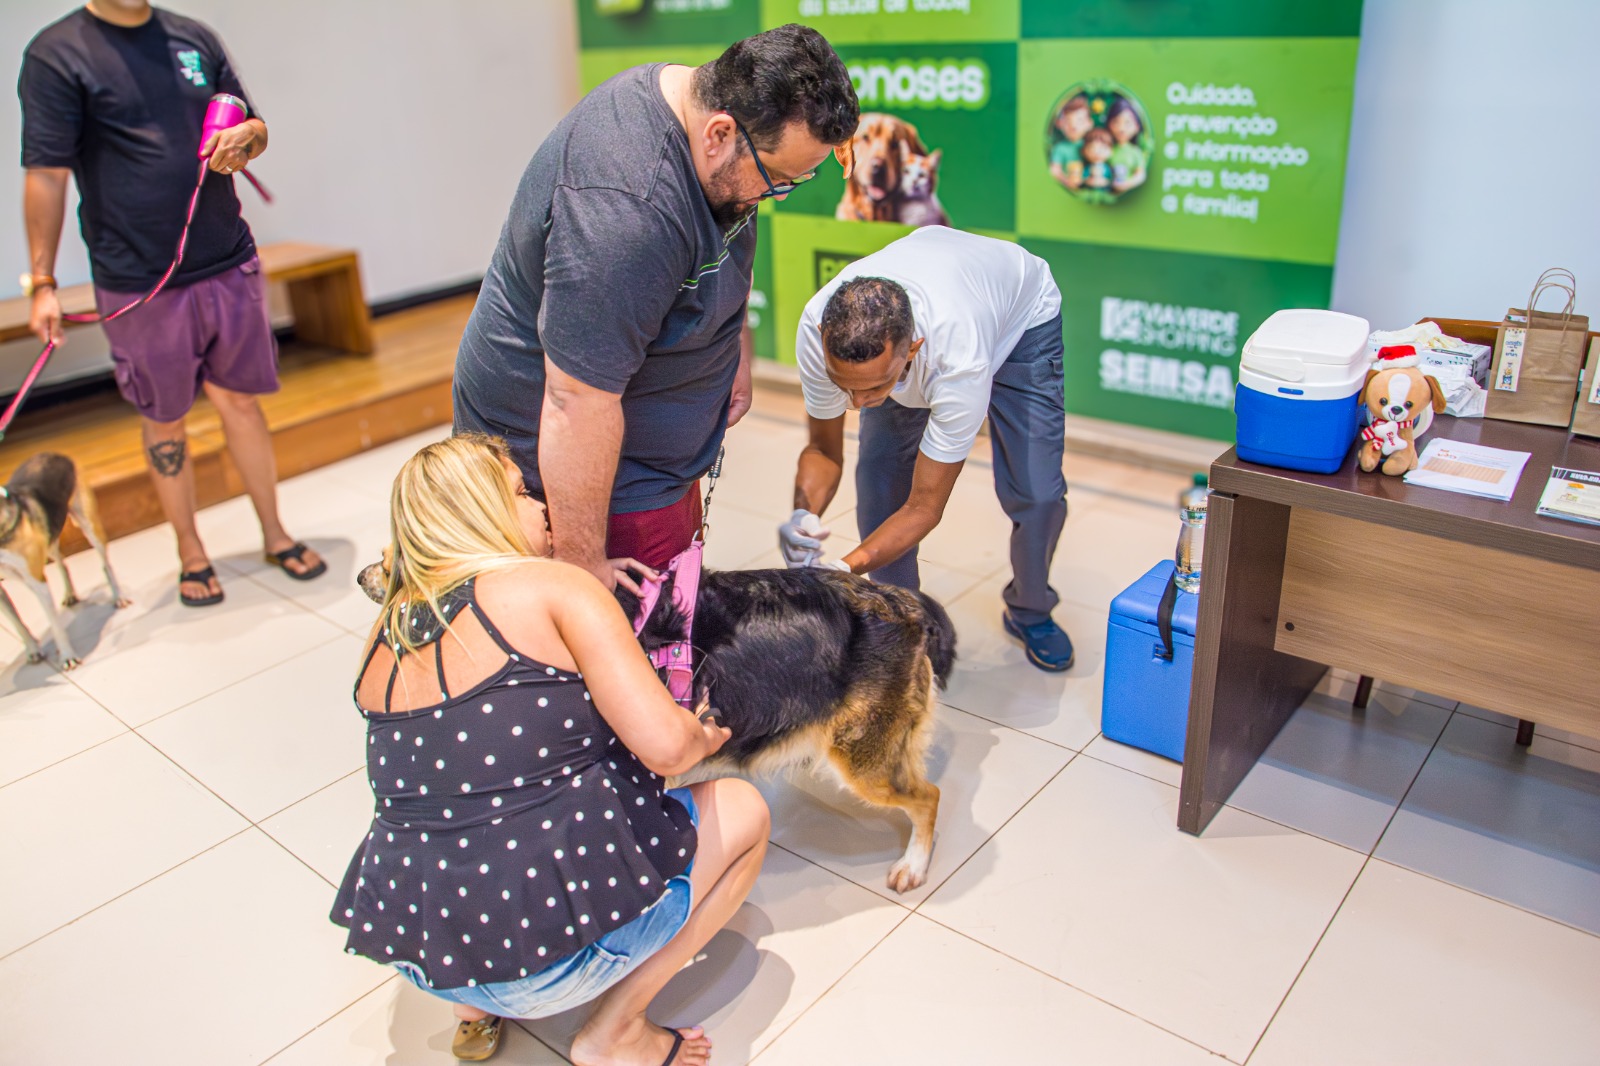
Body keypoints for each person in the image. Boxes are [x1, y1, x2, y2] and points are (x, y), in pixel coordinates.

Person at [335, 433, 769, 1066]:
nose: (540, 502)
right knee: (744, 811)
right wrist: (704, 734)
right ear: (481, 512)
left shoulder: (390, 626)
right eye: (519, 490)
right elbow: (670, 750)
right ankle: (617, 1030)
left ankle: (474, 1011)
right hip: (543, 972)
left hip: (431, 962)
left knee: (466, 808)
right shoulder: (553, 587)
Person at [453, 24, 859, 585]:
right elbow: (575, 402)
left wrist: (732, 341)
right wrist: (583, 568)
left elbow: (722, 227)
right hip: (590, 478)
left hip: (647, 461)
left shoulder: (707, 113)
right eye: (779, 181)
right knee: (626, 647)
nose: (775, 195)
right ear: (719, 133)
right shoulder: (624, 210)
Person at [20, 0, 325, 607]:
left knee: (242, 402)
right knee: (165, 420)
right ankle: (191, 551)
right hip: (138, 280)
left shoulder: (192, 37)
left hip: (226, 258)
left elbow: (255, 125)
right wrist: (43, 281)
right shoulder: (58, 54)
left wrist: (248, 137)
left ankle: (275, 531)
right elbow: (47, 174)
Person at [781, 227, 1076, 672]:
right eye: (847, 386)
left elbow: (924, 506)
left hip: (1021, 316)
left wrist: (844, 568)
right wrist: (803, 515)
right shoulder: (817, 329)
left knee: (1036, 492)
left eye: (875, 386)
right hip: (937, 303)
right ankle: (900, 628)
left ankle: (1030, 609)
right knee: (879, 484)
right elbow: (824, 451)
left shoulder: (959, 358)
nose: (859, 403)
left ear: (912, 350)